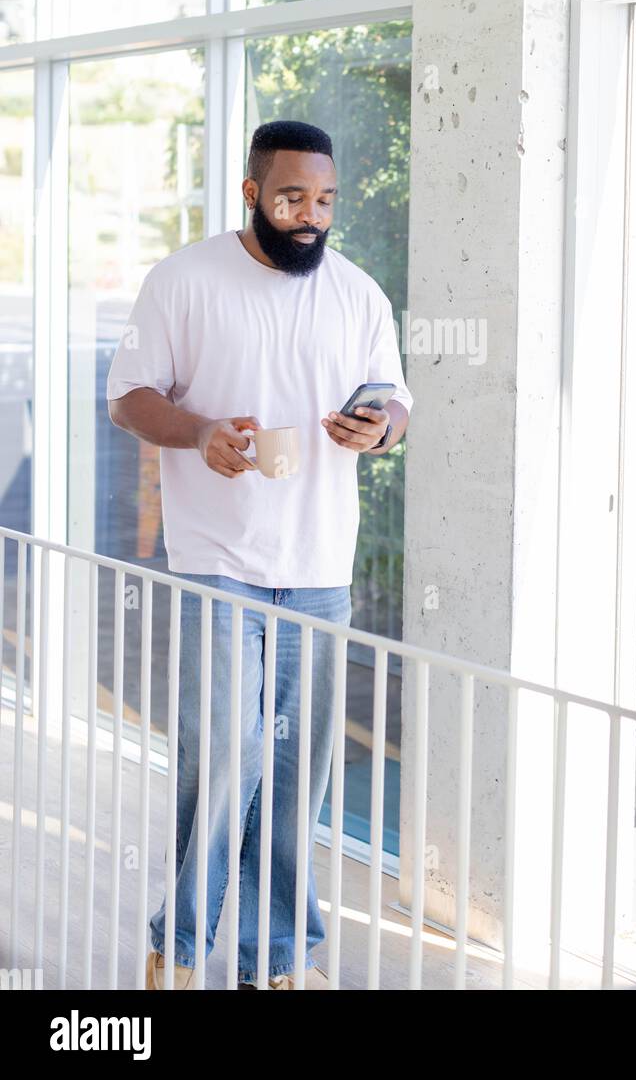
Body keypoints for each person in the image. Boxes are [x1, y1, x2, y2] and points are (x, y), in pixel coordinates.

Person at [106, 119, 412, 990]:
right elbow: (128, 399)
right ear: (251, 193)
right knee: (222, 758)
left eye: (323, 200)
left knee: (292, 774)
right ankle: (180, 946)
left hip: (318, 567)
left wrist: (377, 427)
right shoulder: (187, 278)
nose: (310, 215)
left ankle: (274, 959)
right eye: (290, 197)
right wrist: (199, 432)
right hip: (215, 563)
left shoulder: (357, 294)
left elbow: (395, 403)